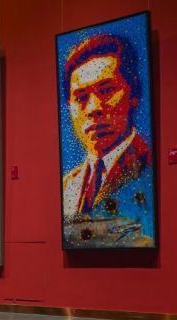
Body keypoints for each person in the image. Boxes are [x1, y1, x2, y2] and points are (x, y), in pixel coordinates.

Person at [61, 34, 154, 247]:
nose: (93, 108)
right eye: (81, 98)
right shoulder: (67, 185)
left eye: (107, 90)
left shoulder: (148, 166)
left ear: (134, 94)